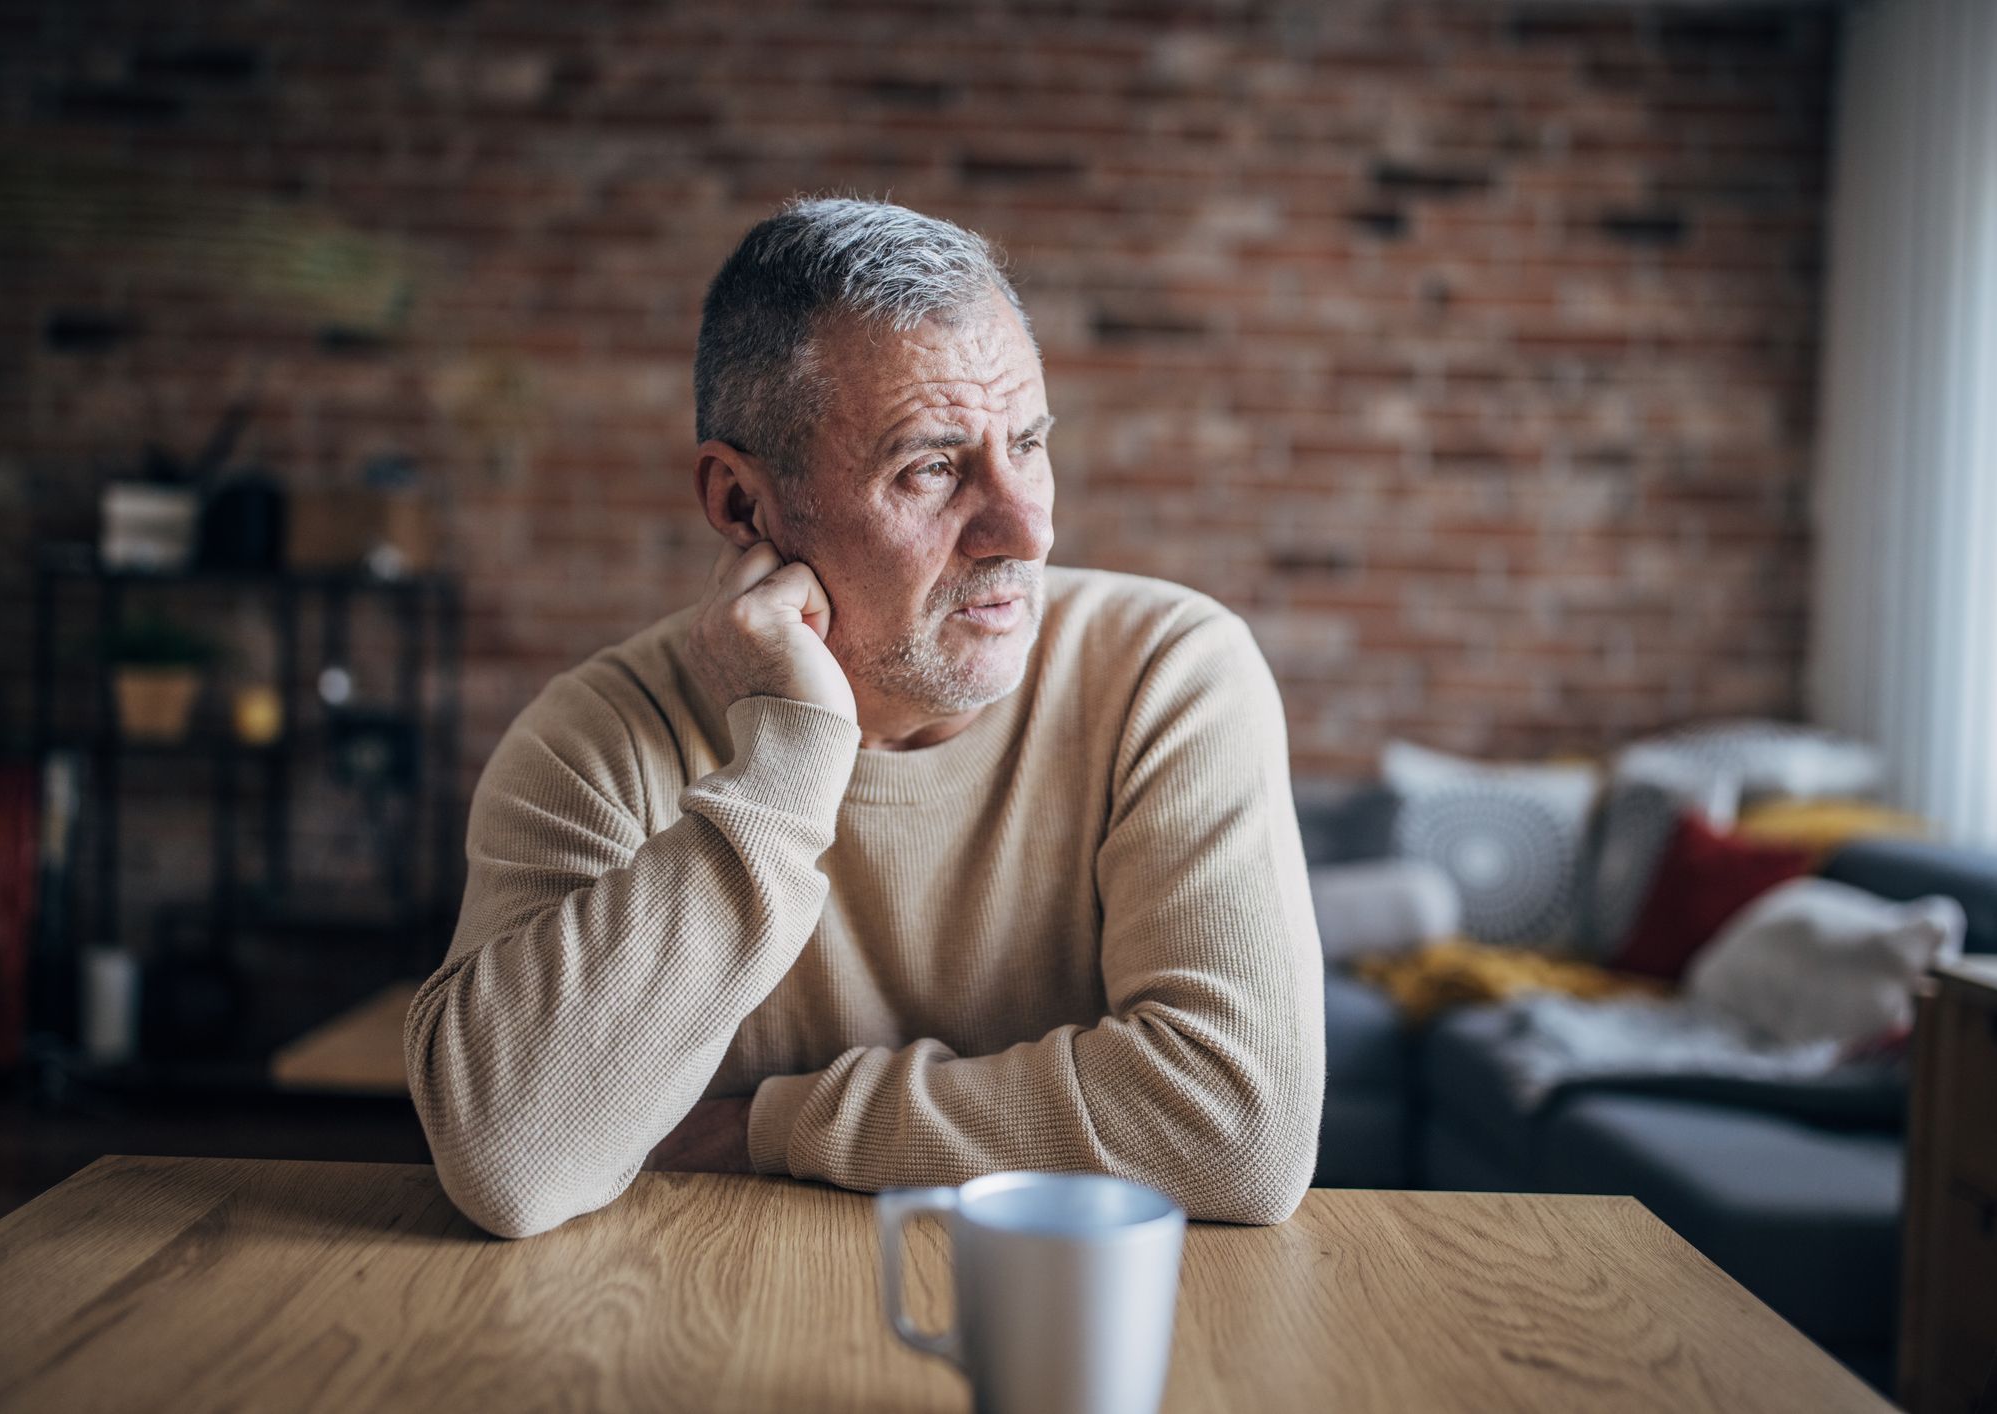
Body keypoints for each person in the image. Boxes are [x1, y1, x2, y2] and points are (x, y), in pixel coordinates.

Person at [405, 196, 1325, 1239]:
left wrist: (766, 1124)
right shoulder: (600, 740)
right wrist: (790, 759)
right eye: (931, 468)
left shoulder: (1166, 671)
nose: (1024, 526)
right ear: (743, 505)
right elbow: (508, 1159)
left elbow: (1235, 1131)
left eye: (1026, 443)